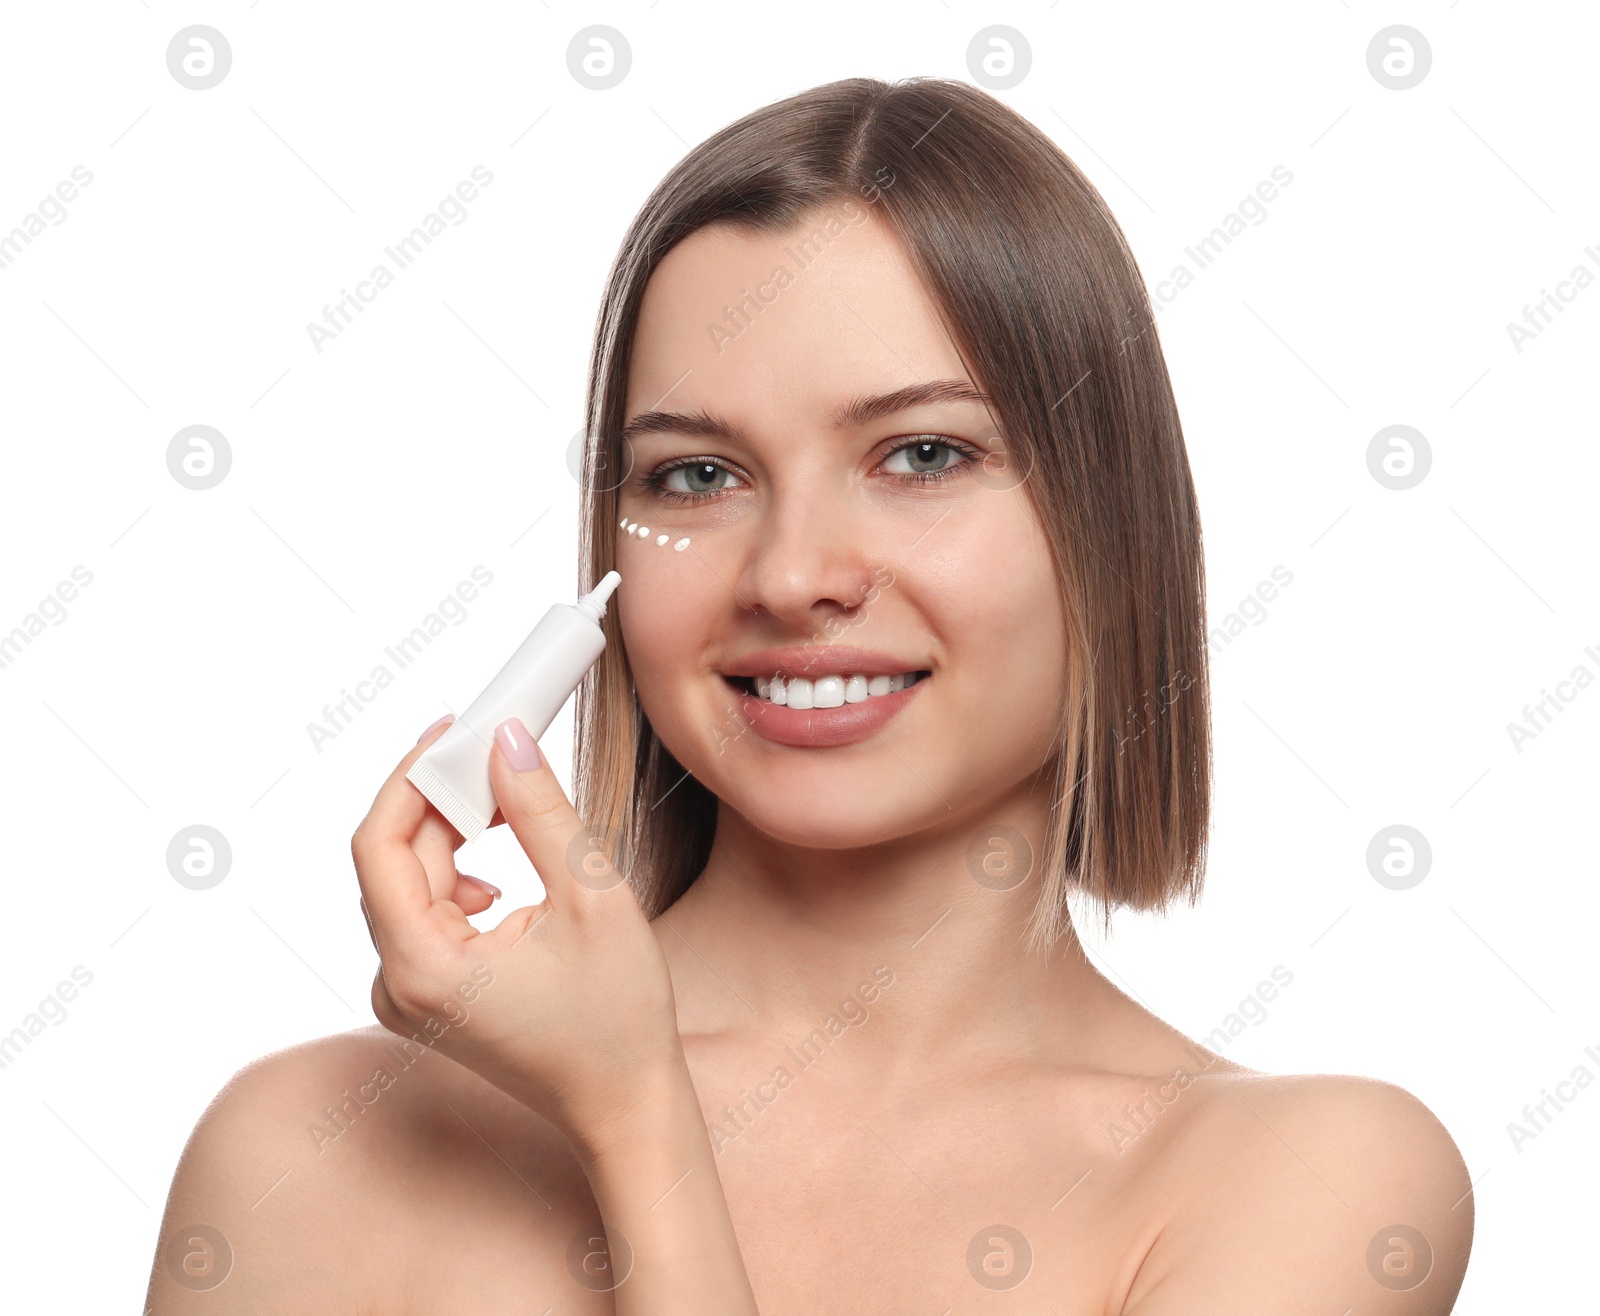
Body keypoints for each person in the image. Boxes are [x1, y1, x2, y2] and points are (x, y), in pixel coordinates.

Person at [146, 76, 1473, 1313]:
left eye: (923, 453)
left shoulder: (1312, 1180)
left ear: (1109, 528)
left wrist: (638, 1117)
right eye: (697, 476)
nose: (789, 576)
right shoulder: (304, 1159)